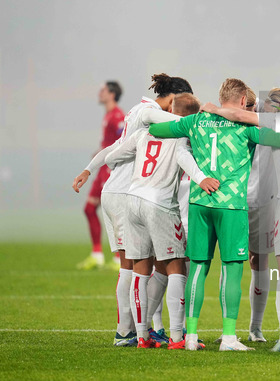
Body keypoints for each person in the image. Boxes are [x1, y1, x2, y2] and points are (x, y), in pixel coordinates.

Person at [148, 78, 280, 351]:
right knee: (231, 269)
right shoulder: (246, 127)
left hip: (200, 202)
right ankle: (230, 338)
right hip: (231, 205)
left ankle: (191, 337)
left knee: (198, 267)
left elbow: (156, 129)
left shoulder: (195, 121)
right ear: (244, 101)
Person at [72, 74, 214, 346]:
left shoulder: (137, 114)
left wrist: (90, 168)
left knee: (141, 266)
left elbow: (113, 151)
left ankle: (142, 332)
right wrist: (205, 118)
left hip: (124, 194)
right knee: (149, 266)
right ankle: (133, 331)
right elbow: (183, 125)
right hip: (134, 194)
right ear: (173, 100)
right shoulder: (151, 114)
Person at [78, 81, 124, 270]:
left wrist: (109, 156)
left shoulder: (118, 116)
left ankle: (118, 258)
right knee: (89, 209)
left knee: (112, 212)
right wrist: (100, 151)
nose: (100, 92)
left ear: (112, 94)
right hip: (101, 169)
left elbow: (124, 142)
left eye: (103, 90)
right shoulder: (108, 115)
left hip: (110, 169)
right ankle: (96, 254)